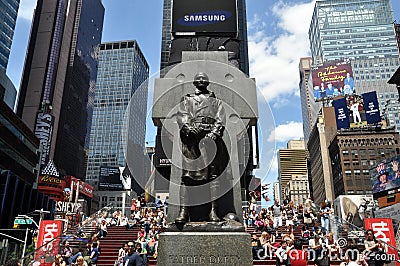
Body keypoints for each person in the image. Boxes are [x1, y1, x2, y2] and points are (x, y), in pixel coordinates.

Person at [175, 72, 229, 223]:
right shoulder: (187, 99)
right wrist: (188, 128)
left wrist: (214, 133)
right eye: (198, 79)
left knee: (213, 177)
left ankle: (213, 212)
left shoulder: (216, 102)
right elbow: (182, 115)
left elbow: (220, 119)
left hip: (209, 141)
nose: (201, 81)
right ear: (194, 82)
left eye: (203, 79)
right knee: (187, 178)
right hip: (192, 142)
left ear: (208, 82)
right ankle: (183, 212)